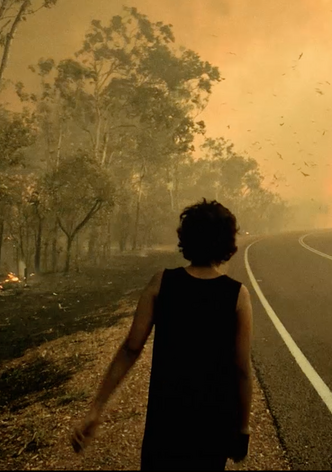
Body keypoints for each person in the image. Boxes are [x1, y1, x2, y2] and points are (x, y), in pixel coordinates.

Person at [71, 199, 254, 470]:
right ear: (227, 243)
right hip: (211, 425)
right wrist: (242, 428)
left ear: (186, 238)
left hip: (165, 422)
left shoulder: (161, 283)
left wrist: (96, 407)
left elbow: (130, 349)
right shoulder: (237, 295)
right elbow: (242, 370)